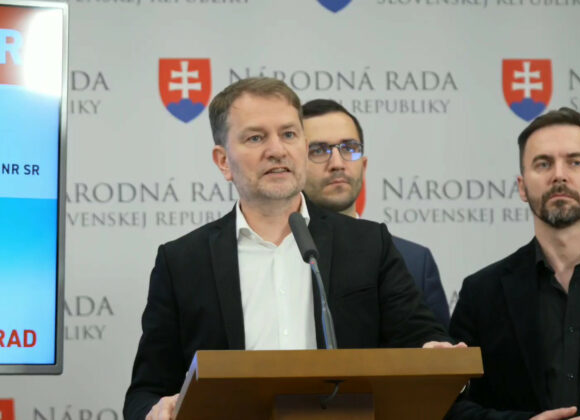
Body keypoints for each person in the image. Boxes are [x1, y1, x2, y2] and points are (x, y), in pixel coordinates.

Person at [124, 78, 460, 420]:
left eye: (288, 134)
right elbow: (146, 391)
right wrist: (156, 410)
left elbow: (422, 337)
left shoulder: (368, 244)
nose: (277, 150)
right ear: (223, 161)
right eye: (256, 138)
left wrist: (435, 352)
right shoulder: (182, 262)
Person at [447, 107, 580, 420]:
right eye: (543, 163)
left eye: (575, 162)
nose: (559, 175)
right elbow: (450, 406)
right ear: (522, 187)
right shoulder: (481, 293)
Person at [301, 99, 450, 328]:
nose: (337, 163)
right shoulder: (281, 256)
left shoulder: (414, 261)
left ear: (364, 166)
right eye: (318, 151)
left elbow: (435, 346)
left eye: (349, 148)